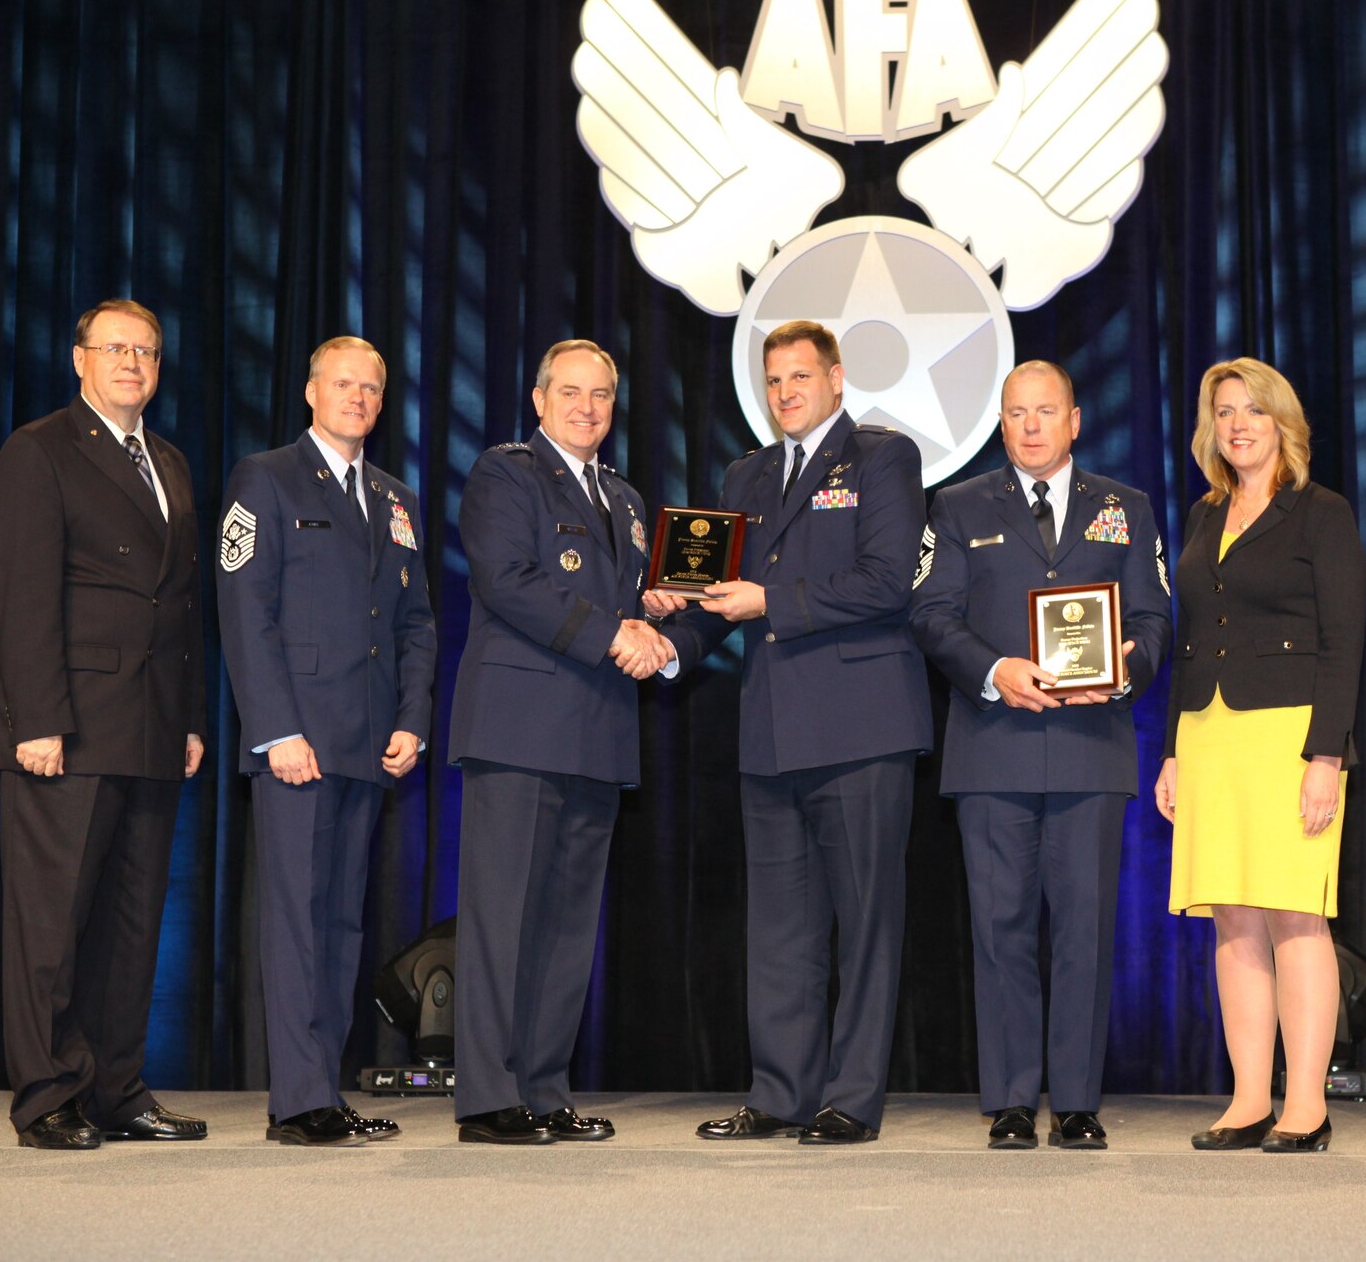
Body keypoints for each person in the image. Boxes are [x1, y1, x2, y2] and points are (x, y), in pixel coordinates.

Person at [647, 319, 930, 1145]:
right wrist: (670, 637)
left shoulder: (884, 458)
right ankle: (778, 1092)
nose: (786, 394)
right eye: (774, 382)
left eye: (801, 377)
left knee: (867, 920)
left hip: (861, 725)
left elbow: (885, 581)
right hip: (771, 729)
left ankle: (852, 1097)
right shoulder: (747, 474)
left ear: (837, 379)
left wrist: (772, 602)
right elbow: (716, 596)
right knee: (778, 929)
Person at [909, 361, 1171, 1149]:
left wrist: (1127, 666)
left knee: (1086, 930)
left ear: (1075, 420)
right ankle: (1015, 1099)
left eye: (1045, 410)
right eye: (1016, 411)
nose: (1030, 424)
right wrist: (994, 670)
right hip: (993, 748)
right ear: (1000, 421)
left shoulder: (1127, 508)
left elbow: (1156, 616)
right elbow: (929, 612)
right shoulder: (955, 507)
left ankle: (1081, 1100)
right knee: (1001, 929)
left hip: (1092, 750)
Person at [0, 298, 208, 1149]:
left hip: (151, 727)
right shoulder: (39, 450)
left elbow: (181, 606)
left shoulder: (172, 462)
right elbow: (22, 592)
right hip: (65, 728)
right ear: (79, 358)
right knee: (52, 922)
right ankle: (47, 1094)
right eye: (115, 347)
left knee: (130, 923)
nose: (132, 362)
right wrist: (38, 718)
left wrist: (189, 717)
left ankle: (118, 1088)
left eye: (146, 349)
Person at [447, 339, 674, 1145]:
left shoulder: (624, 495)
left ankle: (542, 1088)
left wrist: (658, 610)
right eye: (571, 391)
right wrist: (618, 632)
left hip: (599, 732)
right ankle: (486, 1095)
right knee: (503, 917)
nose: (586, 407)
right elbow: (509, 582)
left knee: (567, 926)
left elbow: (619, 596)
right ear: (539, 399)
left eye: (602, 394)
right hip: (520, 725)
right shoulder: (505, 474)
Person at [216, 335, 438, 1146]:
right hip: (298, 743)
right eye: (343, 383)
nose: (358, 397)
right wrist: (276, 729)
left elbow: (416, 622)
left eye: (371, 387)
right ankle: (298, 1099)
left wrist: (413, 717)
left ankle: (326, 1091)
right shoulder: (265, 478)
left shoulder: (395, 496)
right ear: (311, 391)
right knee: (296, 920)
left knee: (343, 921)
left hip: (369, 743)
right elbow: (247, 613)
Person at [1153, 357, 1365, 1154]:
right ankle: (1248, 1098)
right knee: (1233, 920)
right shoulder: (1206, 514)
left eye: (1254, 410)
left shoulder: (1321, 512)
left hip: (1288, 736)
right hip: (1211, 737)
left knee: (1294, 916)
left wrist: (1326, 756)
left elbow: (1344, 643)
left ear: (1283, 422)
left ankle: (1305, 1103)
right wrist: (1174, 749)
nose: (1238, 423)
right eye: (1225, 411)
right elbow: (1186, 643)